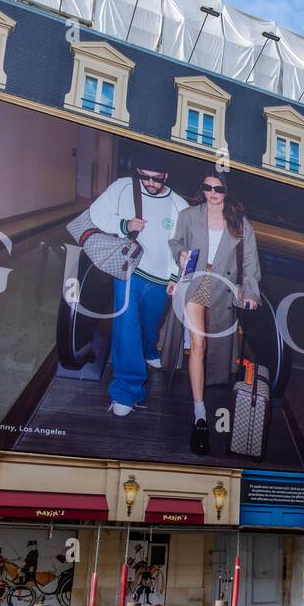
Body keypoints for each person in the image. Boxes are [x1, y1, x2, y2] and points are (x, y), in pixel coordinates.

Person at [162, 175, 262, 455]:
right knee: (199, 345)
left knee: (216, 349)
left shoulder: (241, 225)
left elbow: (251, 265)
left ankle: (207, 395)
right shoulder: (188, 215)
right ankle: (200, 412)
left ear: (228, 191)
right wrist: (180, 254)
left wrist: (250, 294)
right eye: (207, 187)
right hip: (195, 281)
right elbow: (175, 243)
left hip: (224, 287)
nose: (212, 193)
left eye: (219, 188)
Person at [89, 160, 189, 418]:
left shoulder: (179, 204)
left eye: (157, 178)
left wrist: (176, 277)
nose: (151, 184)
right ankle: (126, 391)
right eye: (145, 177)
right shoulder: (123, 187)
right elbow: (96, 213)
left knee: (150, 323)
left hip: (159, 278)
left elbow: (182, 248)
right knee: (126, 325)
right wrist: (125, 225)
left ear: (166, 174)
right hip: (128, 270)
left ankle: (148, 349)